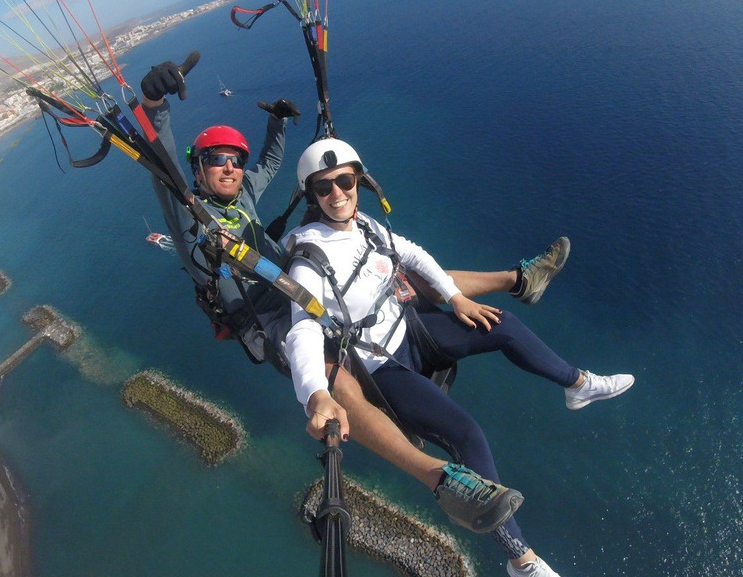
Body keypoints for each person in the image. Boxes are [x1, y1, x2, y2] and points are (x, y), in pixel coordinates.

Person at [138, 58, 544, 534]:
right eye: (215, 160)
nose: (229, 167)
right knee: (335, 381)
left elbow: (268, 164)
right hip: (266, 317)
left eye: (234, 159)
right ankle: (439, 477)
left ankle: (516, 280)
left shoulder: (242, 195)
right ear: (197, 167)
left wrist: (278, 123)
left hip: (302, 284)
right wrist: (153, 103)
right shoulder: (191, 220)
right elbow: (159, 163)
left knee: (398, 277)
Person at [283, 138, 636, 577]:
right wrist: (316, 393)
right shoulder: (308, 257)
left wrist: (454, 297)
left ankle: (577, 385)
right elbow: (303, 328)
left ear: (361, 182)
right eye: (324, 187)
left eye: (346, 181)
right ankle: (520, 559)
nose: (337, 193)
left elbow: (411, 253)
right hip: (381, 364)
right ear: (311, 196)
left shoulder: (365, 225)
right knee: (467, 435)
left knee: (500, 324)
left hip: (411, 327)